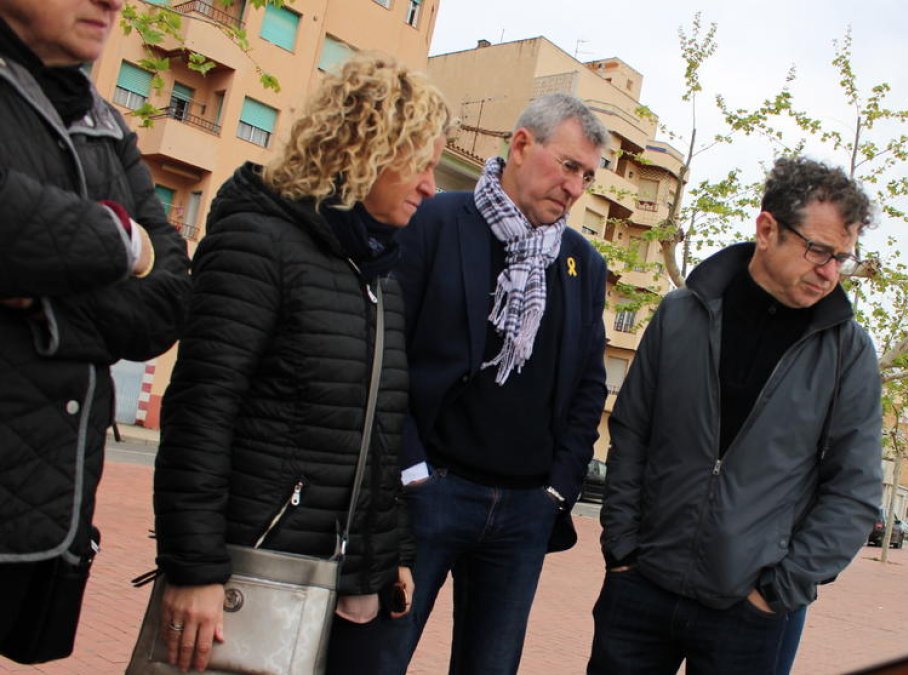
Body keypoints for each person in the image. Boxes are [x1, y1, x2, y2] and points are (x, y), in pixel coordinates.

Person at [151, 53, 452, 674]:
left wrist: (389, 551)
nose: (430, 185)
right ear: (364, 148)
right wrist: (195, 569)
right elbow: (201, 412)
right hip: (254, 571)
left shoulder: (378, 273)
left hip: (343, 582)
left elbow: (380, 429)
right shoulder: (258, 242)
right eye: (419, 162)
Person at [589, 156, 884, 675]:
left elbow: (854, 490)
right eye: (819, 250)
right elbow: (632, 432)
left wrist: (779, 589)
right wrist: (623, 548)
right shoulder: (681, 314)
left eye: (843, 257)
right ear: (767, 229)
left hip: (752, 612)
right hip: (642, 588)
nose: (831, 272)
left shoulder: (847, 351)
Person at [392, 93, 609, 674]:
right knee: (378, 658)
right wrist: (411, 472)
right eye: (568, 166)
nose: (576, 188)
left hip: (523, 511)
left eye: (586, 175)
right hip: (427, 493)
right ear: (519, 146)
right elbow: (390, 352)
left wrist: (558, 490)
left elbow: (590, 384)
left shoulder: (581, 262)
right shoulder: (435, 221)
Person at [0, 0, 189, 661]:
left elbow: (168, 301)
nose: (111, 2)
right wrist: (121, 239)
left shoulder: (104, 122)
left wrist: (44, 304)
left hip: (48, 512)